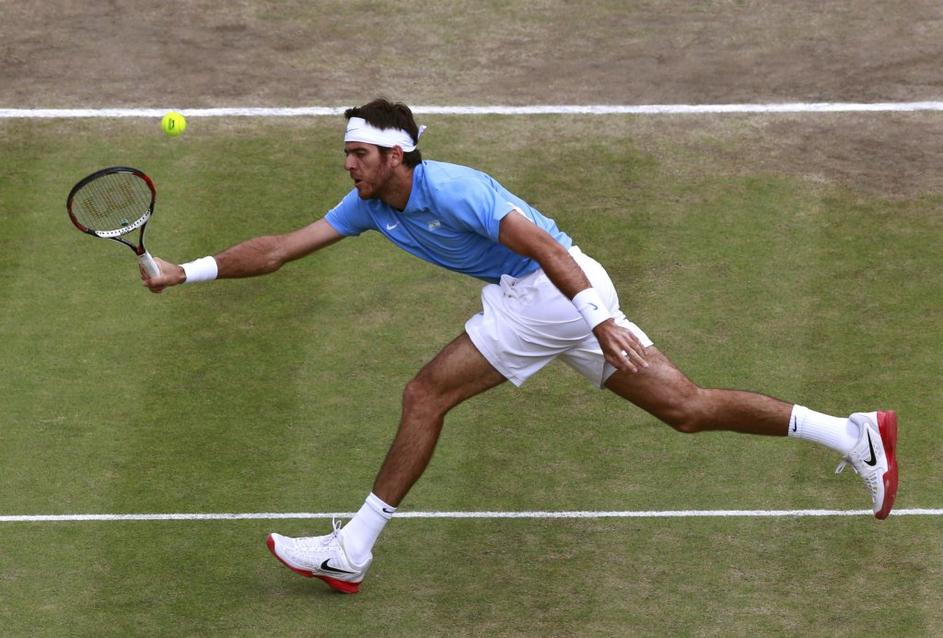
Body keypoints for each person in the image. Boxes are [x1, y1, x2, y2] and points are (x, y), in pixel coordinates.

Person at [142, 98, 899, 594]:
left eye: (360, 154)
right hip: (550, 299)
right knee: (686, 408)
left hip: (552, 292)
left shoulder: (457, 188)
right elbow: (279, 249)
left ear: (397, 156)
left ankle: (354, 548)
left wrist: (597, 318)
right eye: (346, 152)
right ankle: (851, 433)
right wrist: (185, 271)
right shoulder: (369, 205)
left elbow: (544, 246)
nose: (348, 163)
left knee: (425, 394)